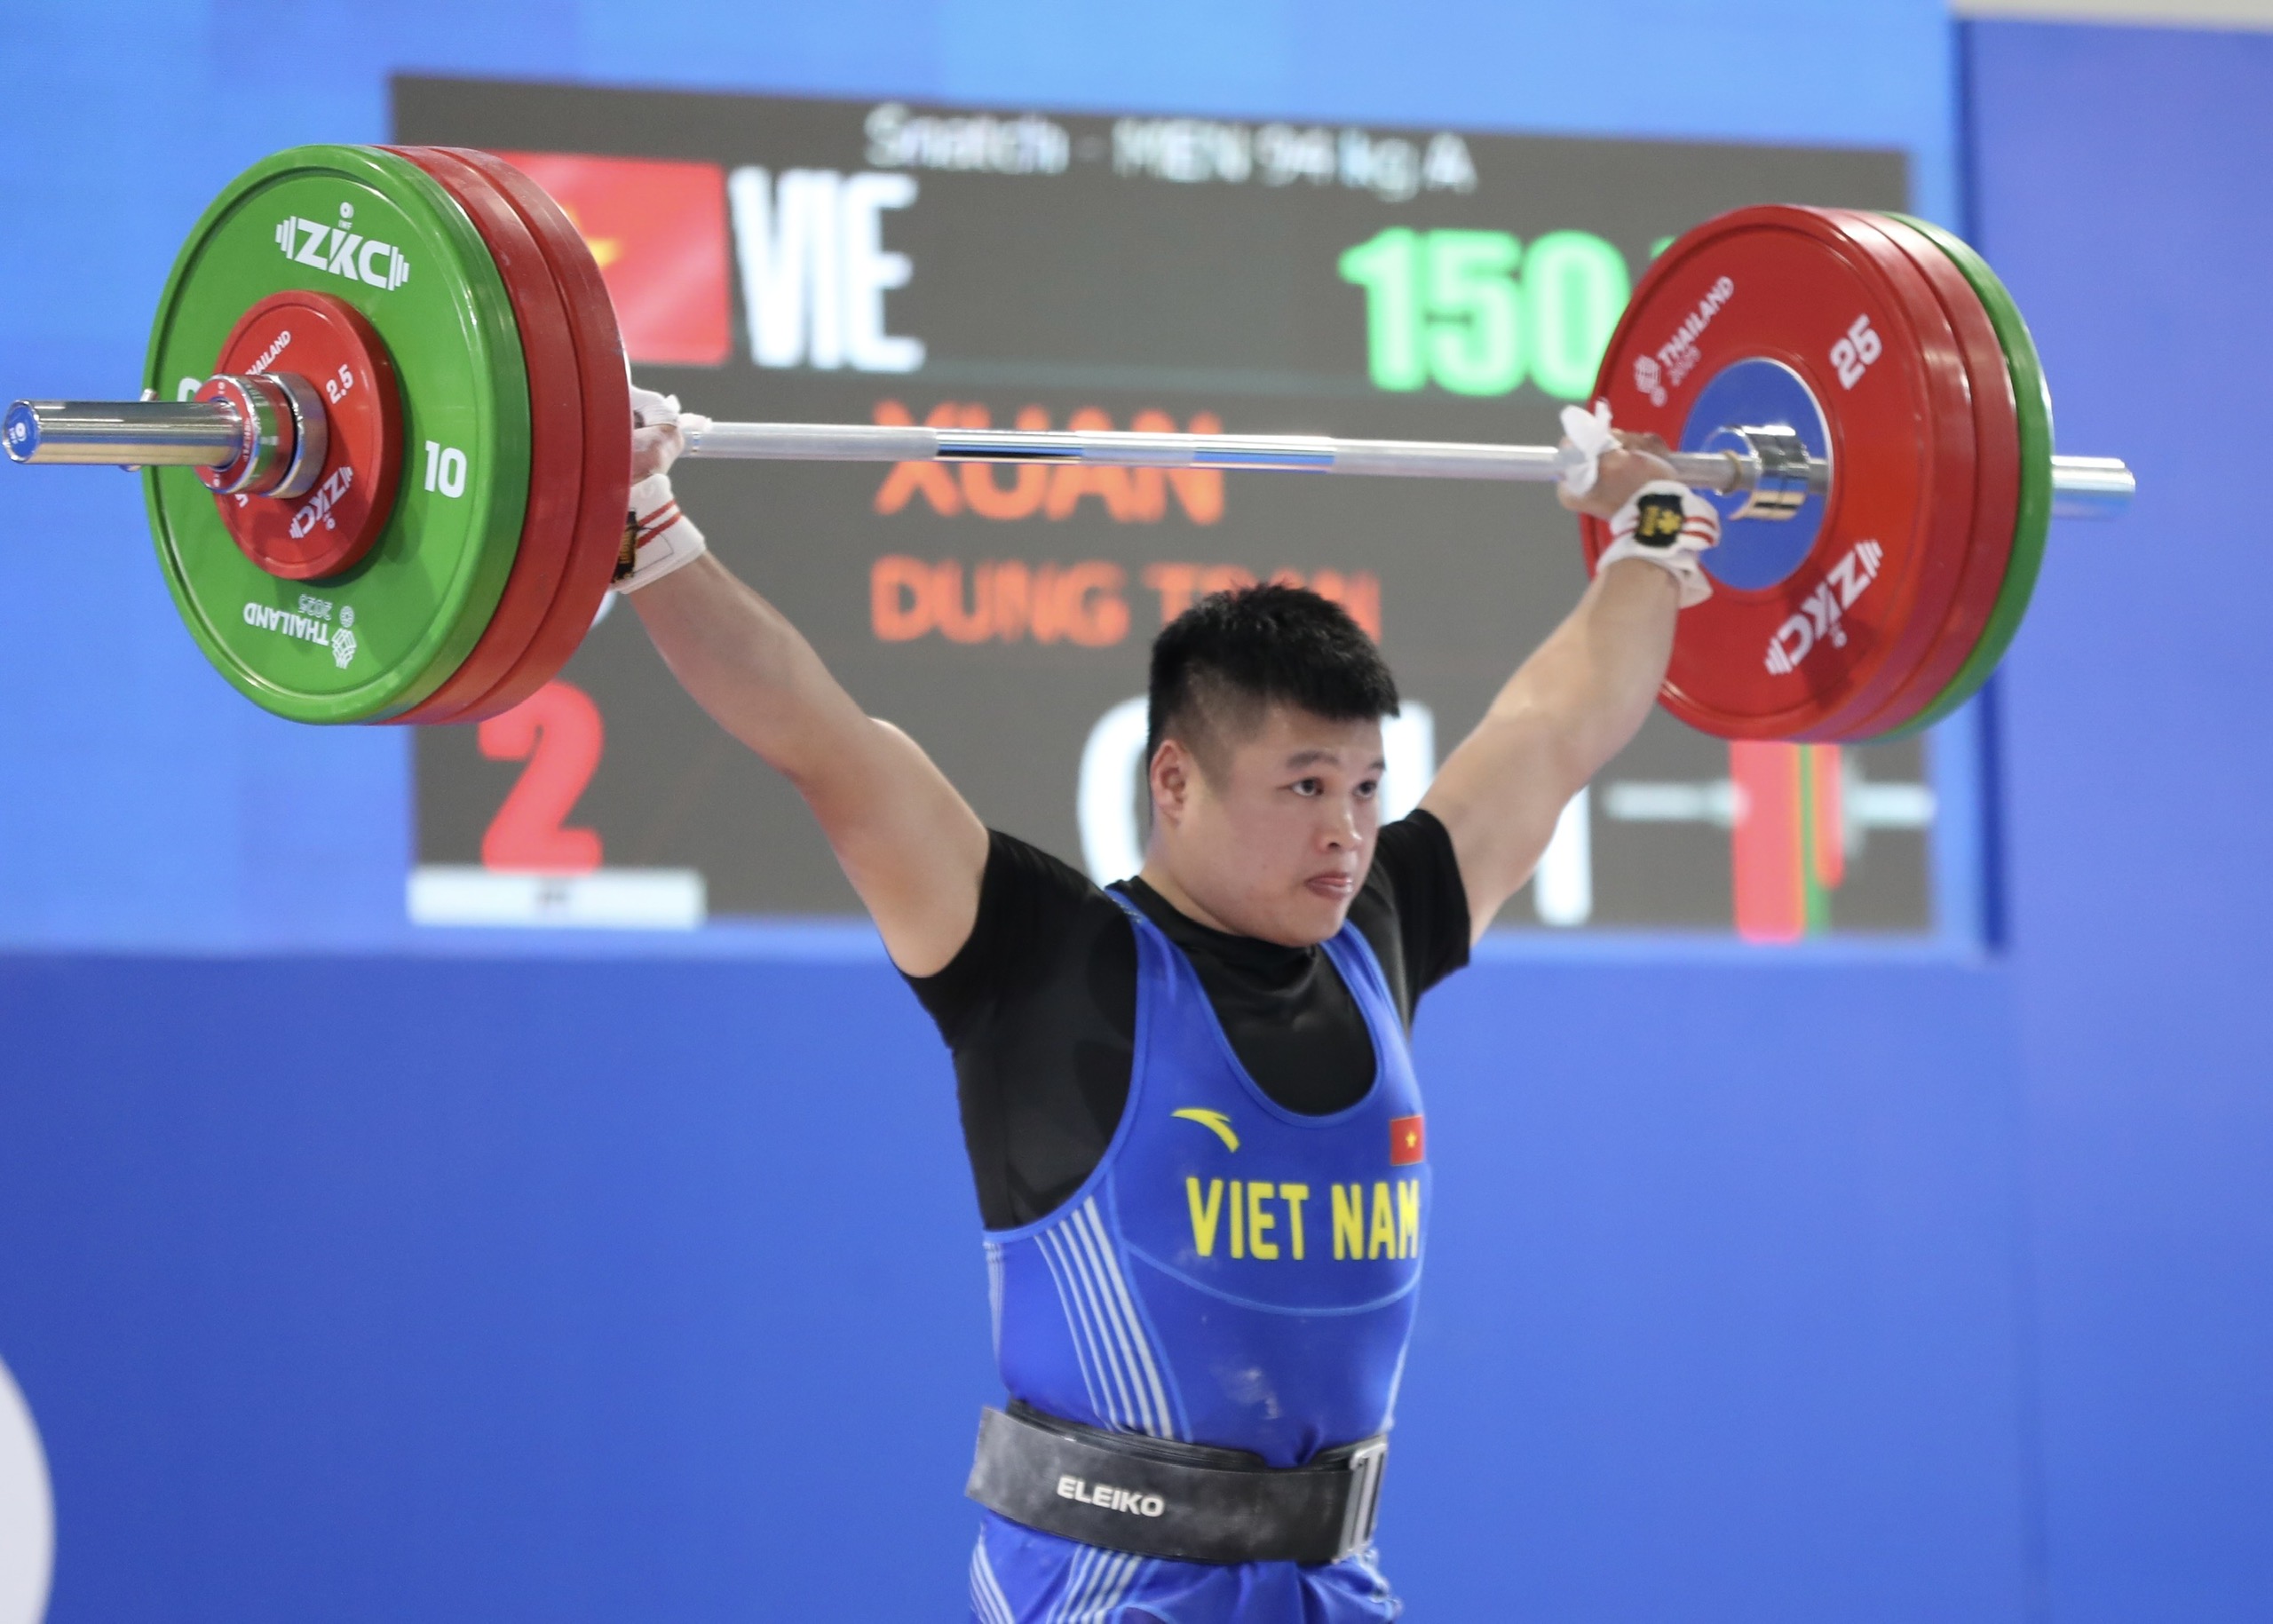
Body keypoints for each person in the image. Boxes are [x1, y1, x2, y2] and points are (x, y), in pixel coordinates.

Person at [614, 389, 1718, 1622]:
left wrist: (1651, 526)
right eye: (1305, 785)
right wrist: (641, 519)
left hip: (1332, 1587)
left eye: (1366, 787)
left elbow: (1554, 732)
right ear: (1176, 781)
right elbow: (825, 744)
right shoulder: (1042, 959)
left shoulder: (1380, 931)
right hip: (1105, 1596)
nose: (1347, 830)